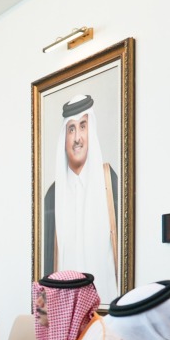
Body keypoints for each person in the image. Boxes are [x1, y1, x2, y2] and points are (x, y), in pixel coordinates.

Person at [42, 94, 120, 301]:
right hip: (63, 315)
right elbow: (46, 268)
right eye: (71, 129)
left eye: (83, 126)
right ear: (65, 137)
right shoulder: (52, 196)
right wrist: (43, 319)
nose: (78, 137)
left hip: (104, 312)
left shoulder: (109, 183)